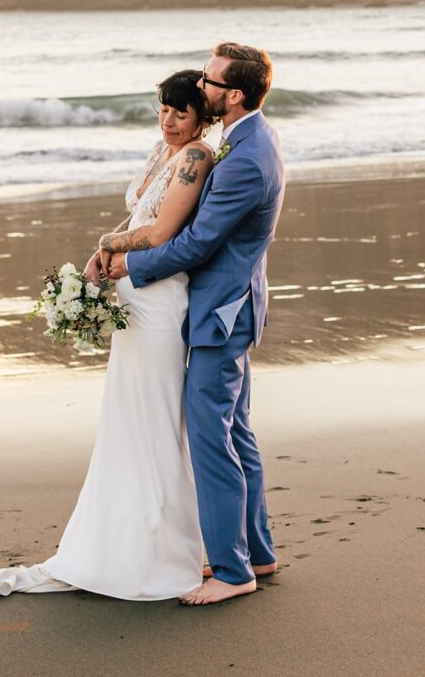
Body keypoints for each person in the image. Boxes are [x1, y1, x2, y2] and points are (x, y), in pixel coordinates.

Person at [0, 69, 216, 600]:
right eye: (162, 109)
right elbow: (141, 214)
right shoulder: (161, 149)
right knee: (125, 421)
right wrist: (101, 267)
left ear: (202, 118)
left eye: (180, 113)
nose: (168, 120)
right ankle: (123, 542)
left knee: (157, 420)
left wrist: (105, 243)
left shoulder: (197, 158)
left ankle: (166, 551)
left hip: (162, 300)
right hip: (133, 293)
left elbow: (163, 231)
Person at [107, 41, 285, 606]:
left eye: (209, 82)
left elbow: (198, 242)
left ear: (233, 94)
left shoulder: (246, 157)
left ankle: (233, 572)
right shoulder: (250, 138)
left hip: (220, 312)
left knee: (212, 438)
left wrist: (126, 265)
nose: (200, 89)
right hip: (232, 304)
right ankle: (257, 551)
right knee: (235, 432)